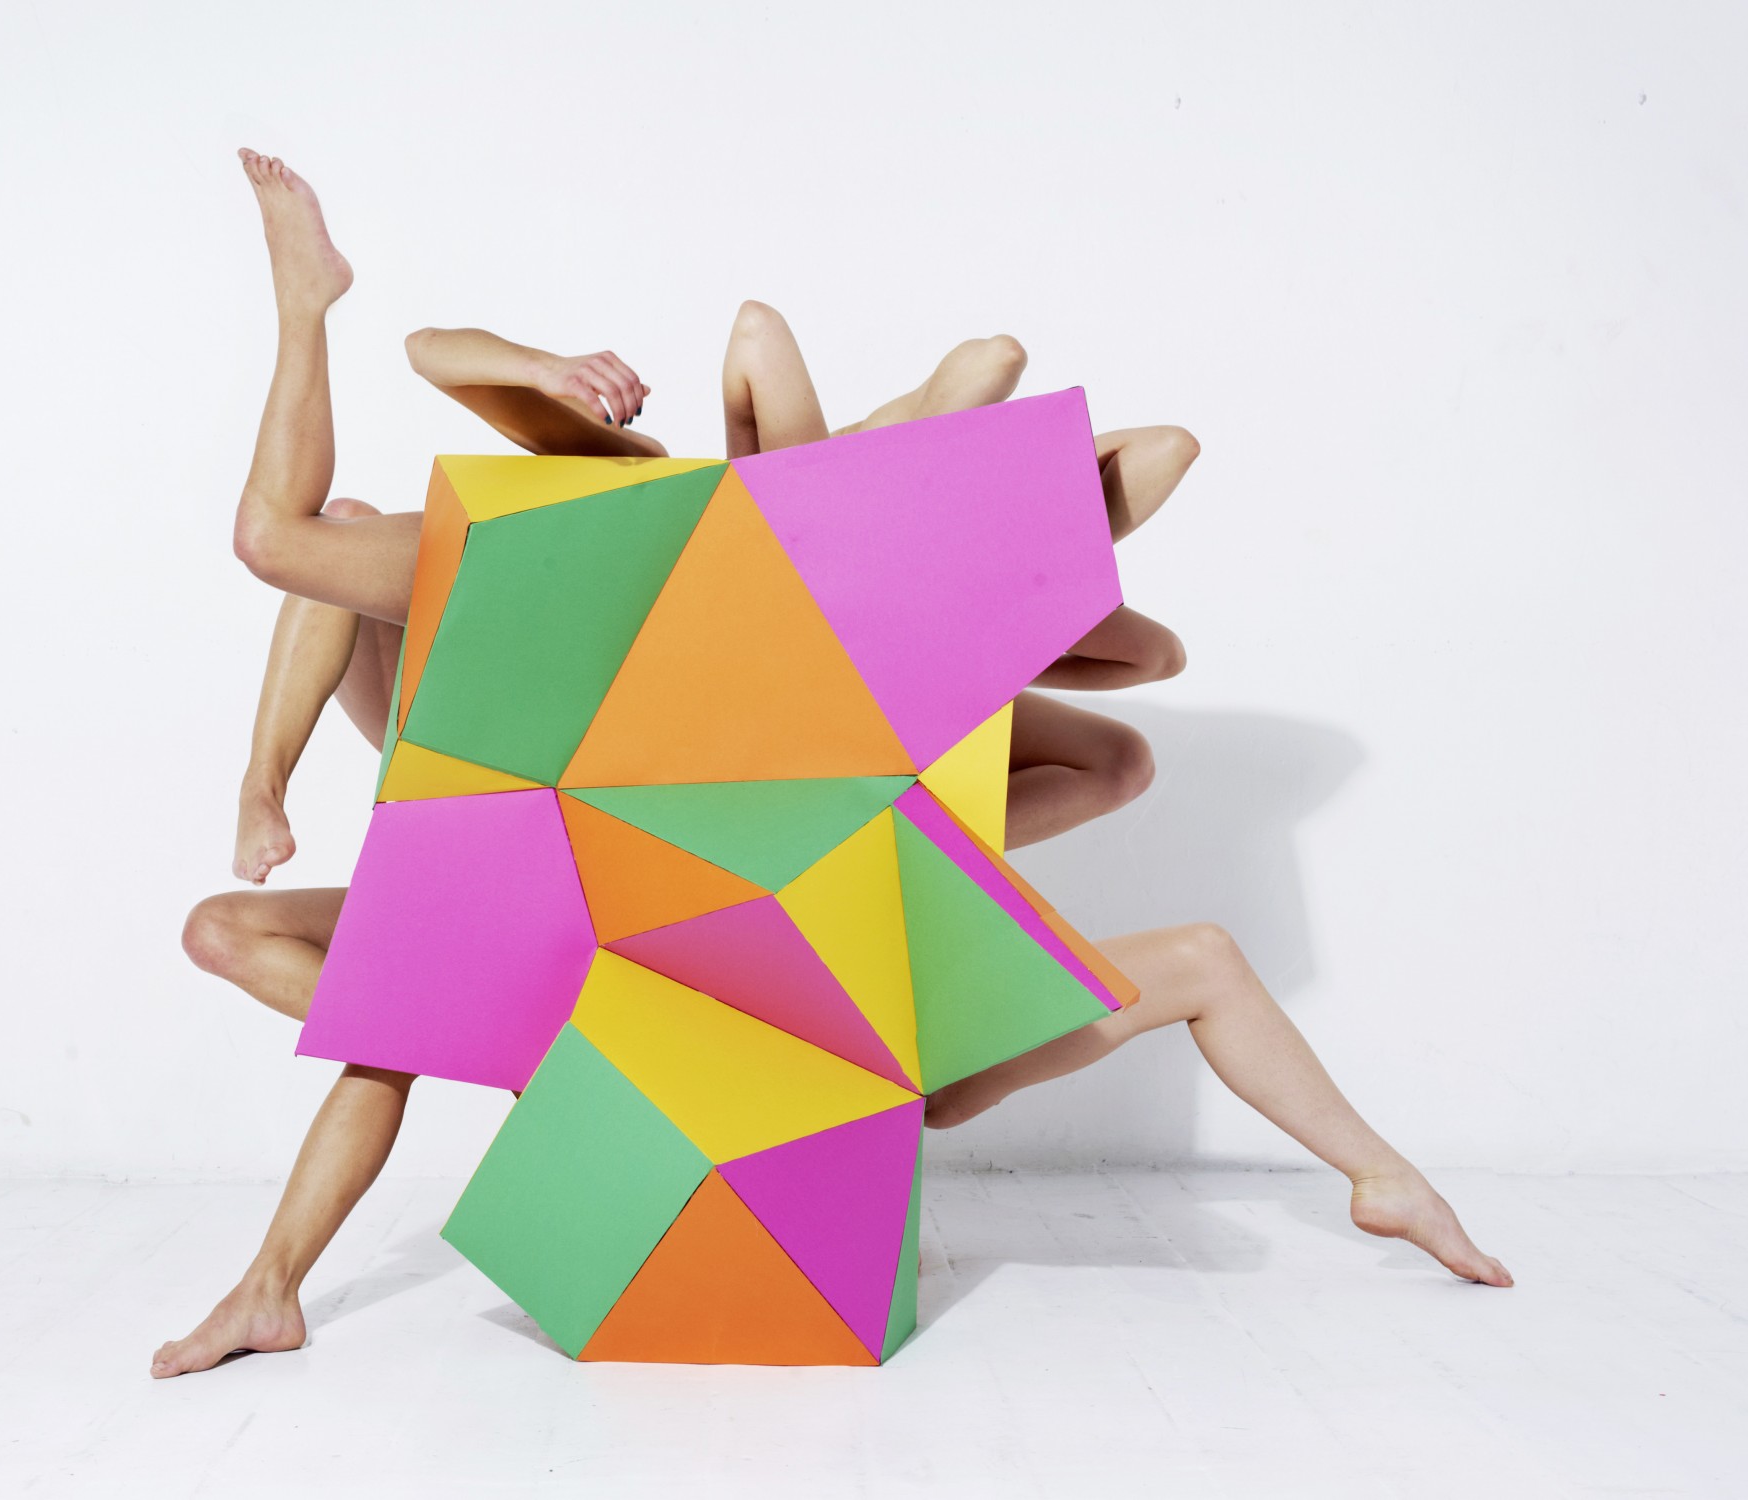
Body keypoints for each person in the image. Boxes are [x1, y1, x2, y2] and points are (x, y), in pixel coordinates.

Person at [150, 151, 1506, 1381]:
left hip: (803, 991)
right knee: (290, 926)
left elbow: (1125, 690)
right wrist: (539, 369)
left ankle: (1383, 1180)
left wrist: (982, 660)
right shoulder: (609, 564)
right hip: (618, 937)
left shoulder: (750, 594)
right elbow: (427, 385)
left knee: (393, 958)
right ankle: (292, 1257)